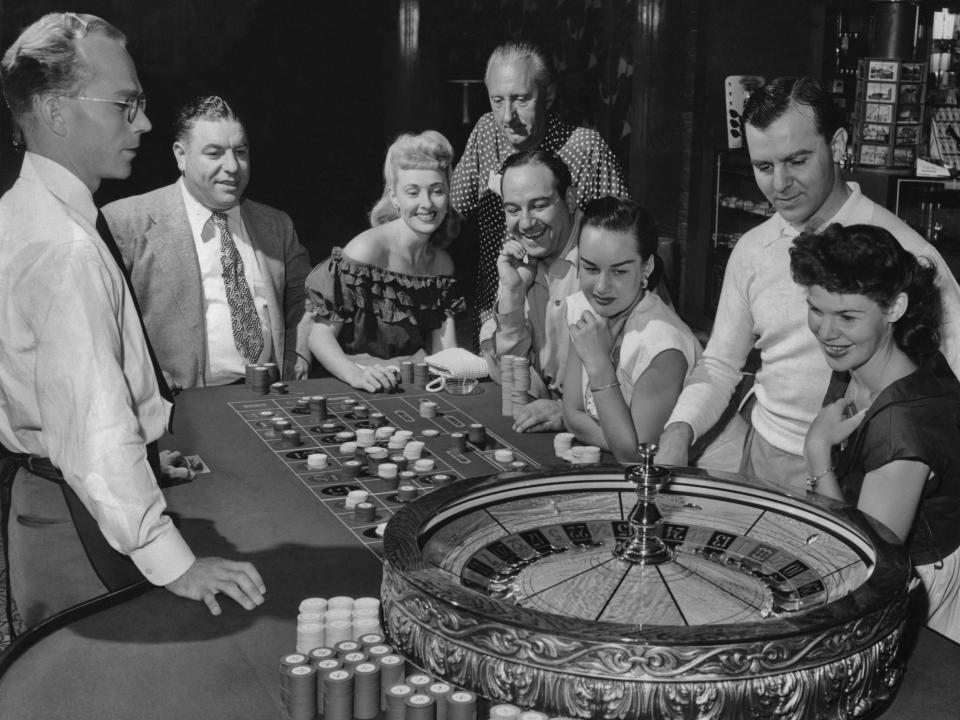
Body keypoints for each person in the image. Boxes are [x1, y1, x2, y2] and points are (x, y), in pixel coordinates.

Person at [0, 12, 265, 631]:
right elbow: (90, 425)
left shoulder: (21, 210)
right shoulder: (62, 246)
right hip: (81, 532)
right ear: (57, 111)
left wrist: (141, 458)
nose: (143, 122)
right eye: (126, 104)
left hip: (59, 504)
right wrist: (172, 560)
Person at [655, 76, 960, 491]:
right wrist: (679, 429)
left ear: (836, 146)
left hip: (864, 471)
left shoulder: (909, 253)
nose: (779, 184)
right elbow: (721, 364)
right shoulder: (753, 248)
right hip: (761, 455)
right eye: (764, 167)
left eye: (797, 161)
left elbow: (951, 385)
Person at [792, 223, 960, 643]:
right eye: (817, 309)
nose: (826, 333)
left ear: (895, 308)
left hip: (917, 597)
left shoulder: (900, 424)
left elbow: (862, 566)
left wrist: (818, 453)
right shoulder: (867, 361)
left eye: (847, 316)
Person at [103, 95, 311, 390]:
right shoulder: (125, 222)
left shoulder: (276, 225)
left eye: (240, 152)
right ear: (181, 155)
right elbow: (102, 323)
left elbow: (305, 298)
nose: (232, 166)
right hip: (181, 410)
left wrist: (298, 355)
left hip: (269, 396)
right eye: (214, 153)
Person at [451, 41, 628, 330]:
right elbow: (451, 220)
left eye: (521, 99)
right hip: (498, 313)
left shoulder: (585, 149)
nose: (507, 116)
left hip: (571, 322)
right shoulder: (485, 132)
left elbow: (622, 243)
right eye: (498, 100)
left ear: (548, 96)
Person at [300, 130, 464, 393]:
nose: (427, 203)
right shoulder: (366, 250)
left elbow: (445, 351)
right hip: (356, 385)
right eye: (413, 192)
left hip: (412, 388)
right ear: (394, 196)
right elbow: (319, 336)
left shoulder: (442, 265)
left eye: (437, 191)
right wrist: (356, 376)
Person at [563, 197, 700, 462]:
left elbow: (638, 457)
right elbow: (572, 416)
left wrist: (598, 362)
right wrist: (621, 439)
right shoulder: (583, 308)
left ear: (646, 268)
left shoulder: (664, 346)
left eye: (619, 272)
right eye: (590, 268)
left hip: (707, 482)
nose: (601, 287)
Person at [480, 150, 581, 433]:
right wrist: (512, 293)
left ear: (570, 199)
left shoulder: (605, 257)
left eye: (538, 205)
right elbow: (511, 378)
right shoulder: (521, 262)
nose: (525, 223)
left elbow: (644, 375)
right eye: (513, 210)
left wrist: (570, 413)